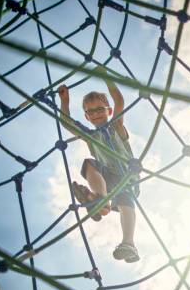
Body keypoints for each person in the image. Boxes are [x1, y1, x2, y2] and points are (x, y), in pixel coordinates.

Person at [57, 67, 140, 263]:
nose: (95, 114)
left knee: (124, 198)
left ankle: (128, 243)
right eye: (90, 111)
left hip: (128, 176)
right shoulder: (90, 136)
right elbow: (67, 124)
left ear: (108, 111)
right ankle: (100, 201)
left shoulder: (116, 126)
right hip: (107, 177)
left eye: (100, 109)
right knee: (89, 164)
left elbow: (119, 100)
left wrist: (106, 78)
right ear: (86, 116)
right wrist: (64, 102)